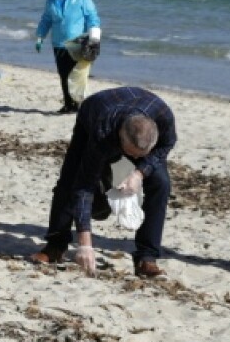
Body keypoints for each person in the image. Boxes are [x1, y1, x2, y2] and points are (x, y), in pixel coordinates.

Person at [30, 87, 175, 279]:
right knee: (70, 179)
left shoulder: (164, 118)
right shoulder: (103, 132)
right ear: (120, 137)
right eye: (130, 153)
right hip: (92, 112)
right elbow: (84, 186)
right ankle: (55, 246)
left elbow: (166, 145)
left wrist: (140, 172)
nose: (132, 158)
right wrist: (85, 244)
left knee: (161, 183)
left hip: (143, 112)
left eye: (140, 155)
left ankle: (146, 258)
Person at [36, 0, 102, 114]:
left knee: (77, 74)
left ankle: (78, 104)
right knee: (63, 74)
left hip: (78, 42)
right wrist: (40, 36)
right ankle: (68, 104)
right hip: (58, 44)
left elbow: (92, 17)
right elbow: (46, 19)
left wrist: (94, 36)